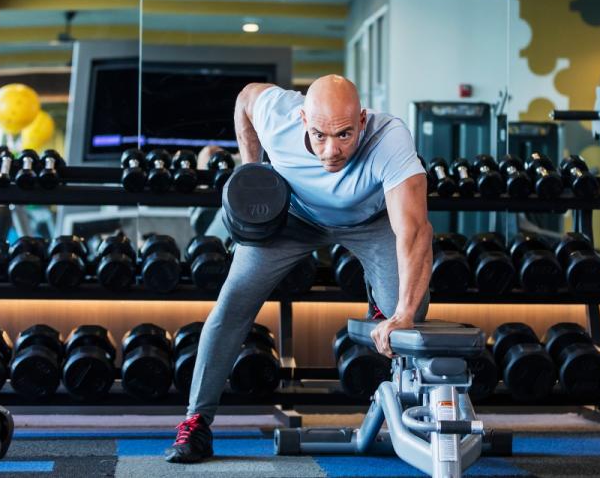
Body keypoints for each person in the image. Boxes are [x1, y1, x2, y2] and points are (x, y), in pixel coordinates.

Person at [166, 75, 433, 463]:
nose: (331, 151)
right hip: (294, 217)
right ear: (302, 119)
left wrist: (404, 314)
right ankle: (196, 423)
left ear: (362, 120)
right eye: (320, 135)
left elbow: (414, 231)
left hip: (370, 221)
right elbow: (245, 99)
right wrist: (252, 171)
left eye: (344, 135)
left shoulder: (390, 139)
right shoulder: (278, 115)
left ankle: (409, 406)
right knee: (232, 304)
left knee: (410, 315)